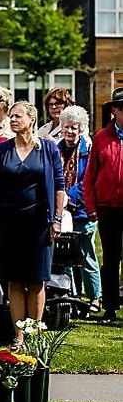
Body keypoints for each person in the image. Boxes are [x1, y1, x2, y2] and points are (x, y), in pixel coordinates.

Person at [0, 101, 65, 347]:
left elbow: (59, 186)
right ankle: (19, 337)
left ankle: (34, 335)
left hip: (39, 224)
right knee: (15, 280)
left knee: (36, 280)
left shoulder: (49, 149)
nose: (13, 120)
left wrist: (57, 219)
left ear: (31, 119)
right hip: (10, 224)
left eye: (18, 116)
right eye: (11, 116)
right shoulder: (2, 150)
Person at [82, 87, 123, 322]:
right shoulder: (101, 138)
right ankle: (109, 308)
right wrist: (91, 206)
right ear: (115, 110)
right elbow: (90, 177)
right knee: (110, 258)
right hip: (108, 207)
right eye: (122, 107)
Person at [58, 105, 101, 313]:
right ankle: (71, 295)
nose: (70, 132)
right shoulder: (56, 148)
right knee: (65, 256)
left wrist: (70, 196)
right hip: (63, 212)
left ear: (81, 129)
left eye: (74, 128)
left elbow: (88, 180)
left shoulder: (88, 151)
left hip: (84, 209)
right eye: (67, 127)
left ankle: (94, 297)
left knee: (86, 255)